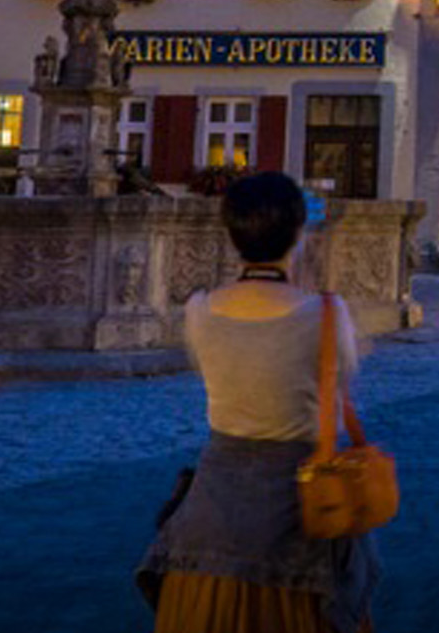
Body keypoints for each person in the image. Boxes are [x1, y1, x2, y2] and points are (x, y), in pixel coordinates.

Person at [139, 172, 378, 632]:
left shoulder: (199, 310)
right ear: (298, 232)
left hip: (215, 505)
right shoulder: (326, 314)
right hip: (301, 505)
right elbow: (340, 382)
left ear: (232, 235)